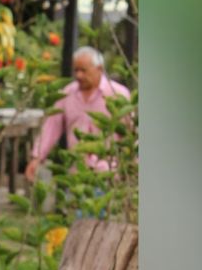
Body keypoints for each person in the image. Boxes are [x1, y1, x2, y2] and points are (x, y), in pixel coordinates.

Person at [25, 46, 132, 179]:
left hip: (109, 175)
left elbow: (130, 133)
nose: (78, 75)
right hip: (76, 175)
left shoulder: (118, 94)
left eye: (84, 70)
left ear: (99, 69)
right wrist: (37, 158)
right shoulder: (67, 93)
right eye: (76, 70)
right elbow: (51, 127)